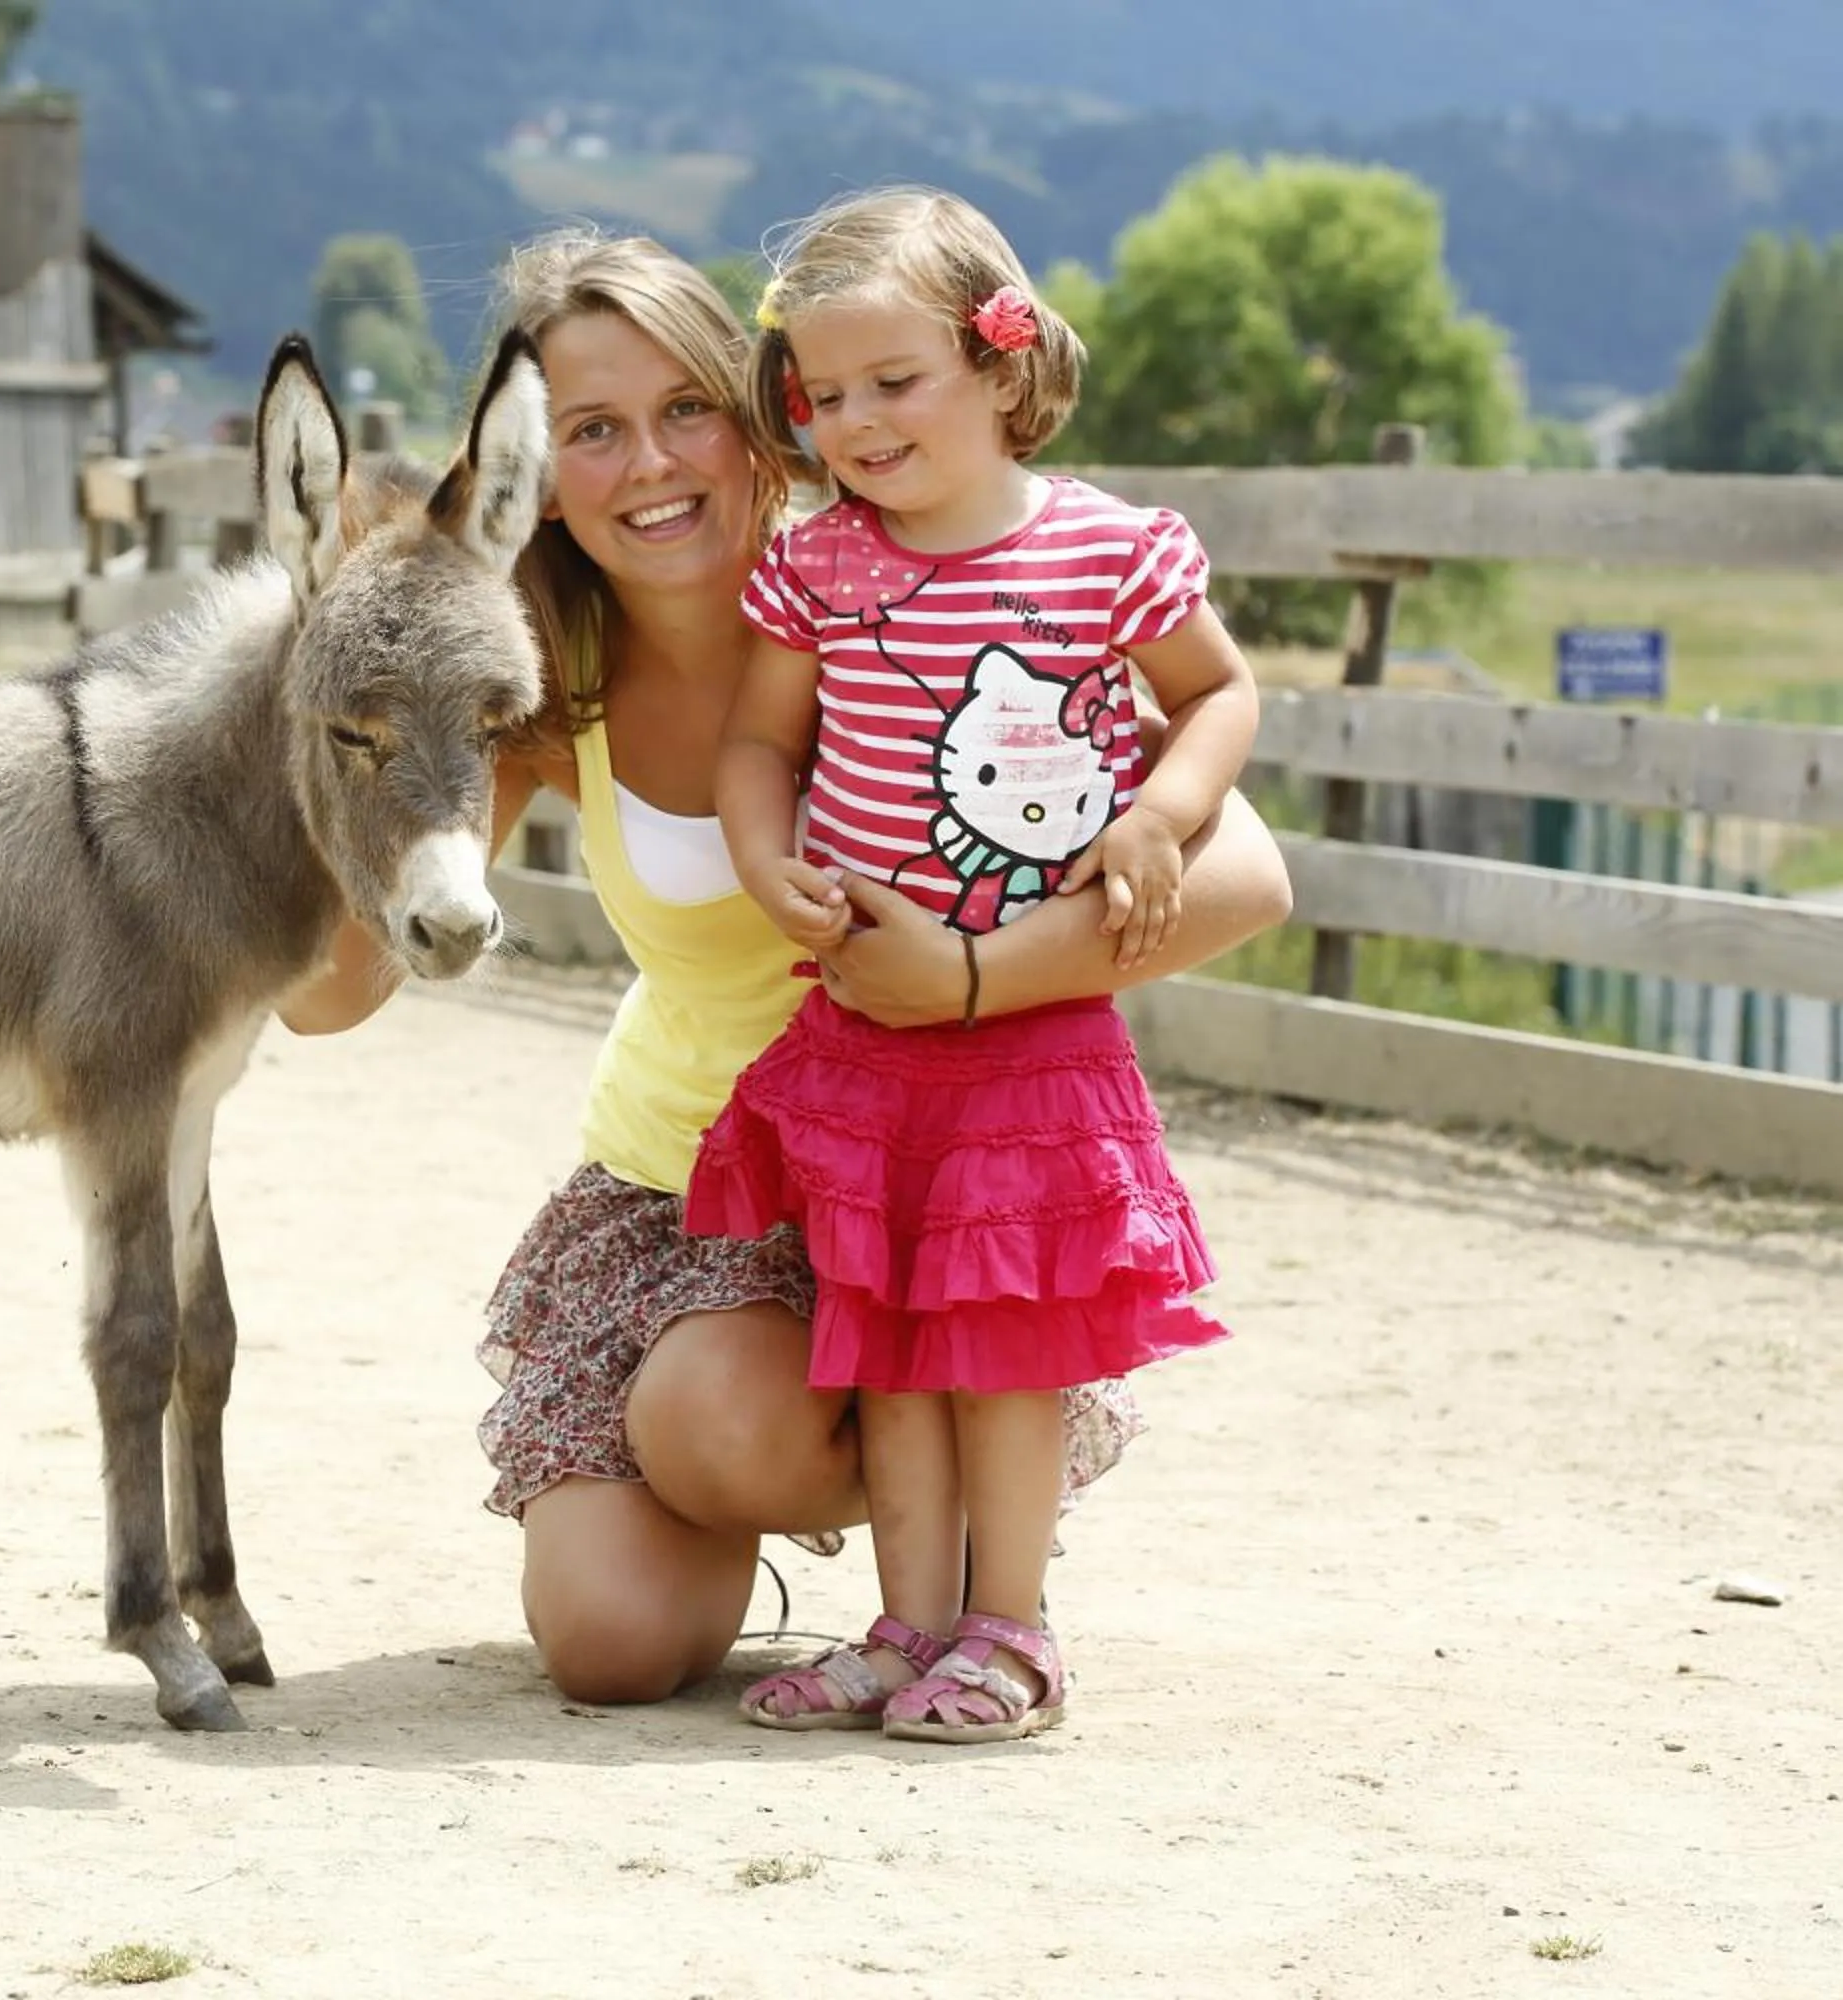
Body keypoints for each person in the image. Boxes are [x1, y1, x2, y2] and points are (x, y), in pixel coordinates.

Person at [274, 220, 1292, 1709]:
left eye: (686, 409)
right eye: (592, 432)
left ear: (760, 420)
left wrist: (966, 980)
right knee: (611, 1649)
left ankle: (956, 1578)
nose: (649, 464)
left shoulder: (905, 588)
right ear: (535, 473)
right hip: (681, 1178)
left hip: (919, 1164)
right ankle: (764, 1530)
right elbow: (332, 995)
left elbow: (1250, 874)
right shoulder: (544, 682)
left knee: (717, 1422)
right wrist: (313, 765)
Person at [681, 187, 1256, 1743]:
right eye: (825, 392)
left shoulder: (1106, 550)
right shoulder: (821, 567)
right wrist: (759, 852)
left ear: (1002, 369)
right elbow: (758, 741)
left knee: (1003, 1347)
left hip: (1031, 1033)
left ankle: (1017, 1631)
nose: (856, 421)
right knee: (888, 1336)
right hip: (870, 1020)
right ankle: (907, 1624)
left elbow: (1217, 695)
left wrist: (1164, 812)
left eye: (896, 382)